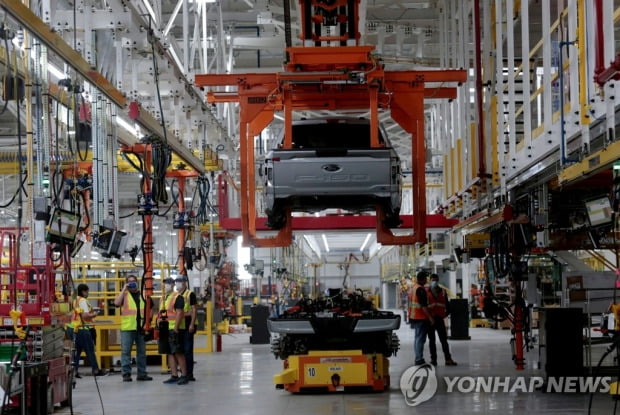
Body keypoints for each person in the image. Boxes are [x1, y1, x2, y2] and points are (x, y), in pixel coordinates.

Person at [113, 275, 153, 382]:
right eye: (129, 282)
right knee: (126, 352)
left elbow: (151, 308)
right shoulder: (124, 295)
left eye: (133, 282)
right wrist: (123, 289)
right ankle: (126, 374)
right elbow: (116, 303)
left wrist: (148, 323)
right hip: (128, 328)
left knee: (142, 352)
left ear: (137, 282)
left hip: (141, 327)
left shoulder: (144, 294)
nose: (131, 284)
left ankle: (142, 374)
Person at [66, 284, 107, 377]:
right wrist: (94, 314)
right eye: (87, 291)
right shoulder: (83, 300)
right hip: (81, 328)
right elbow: (85, 315)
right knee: (90, 350)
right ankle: (96, 370)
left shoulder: (73, 299)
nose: (88, 293)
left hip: (71, 328)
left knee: (77, 350)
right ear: (84, 292)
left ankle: (74, 371)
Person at [159, 276, 188, 385]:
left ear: (173, 285)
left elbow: (180, 313)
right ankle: (174, 375)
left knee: (178, 352)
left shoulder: (177, 297)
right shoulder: (163, 298)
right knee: (169, 353)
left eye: (169, 283)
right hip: (165, 329)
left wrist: (175, 328)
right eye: (165, 283)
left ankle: (184, 375)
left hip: (174, 329)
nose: (166, 285)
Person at [426, 273, 457, 366]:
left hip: (439, 318)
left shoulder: (443, 291)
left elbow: (447, 305)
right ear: (430, 280)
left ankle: (448, 359)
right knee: (432, 341)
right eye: (433, 280)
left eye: (436, 280)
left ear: (438, 280)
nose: (434, 282)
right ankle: (433, 359)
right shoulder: (426, 292)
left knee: (443, 340)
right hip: (430, 319)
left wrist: (445, 315)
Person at [409, 271, 434, 366]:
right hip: (420, 317)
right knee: (420, 339)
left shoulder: (414, 287)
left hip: (414, 317)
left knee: (417, 338)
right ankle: (419, 359)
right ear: (423, 279)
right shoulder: (420, 289)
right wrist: (430, 318)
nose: (427, 280)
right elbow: (423, 306)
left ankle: (418, 358)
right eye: (426, 278)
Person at [177, 274, 197, 381]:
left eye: (180, 281)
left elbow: (194, 310)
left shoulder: (190, 294)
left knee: (188, 350)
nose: (178, 283)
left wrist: (192, 324)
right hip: (179, 325)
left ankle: (189, 374)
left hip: (188, 325)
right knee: (180, 350)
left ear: (185, 282)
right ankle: (183, 373)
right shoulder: (176, 295)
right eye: (177, 281)